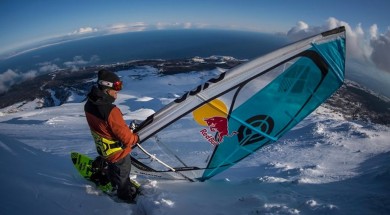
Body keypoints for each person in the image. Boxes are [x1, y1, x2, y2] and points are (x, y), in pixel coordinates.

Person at [84, 69, 139, 202]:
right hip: (118, 153)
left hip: (104, 149)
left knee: (114, 168)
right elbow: (126, 138)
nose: (117, 92)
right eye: (116, 88)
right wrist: (135, 138)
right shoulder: (110, 111)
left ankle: (112, 180)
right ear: (106, 87)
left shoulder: (89, 104)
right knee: (123, 175)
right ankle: (125, 198)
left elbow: (104, 128)